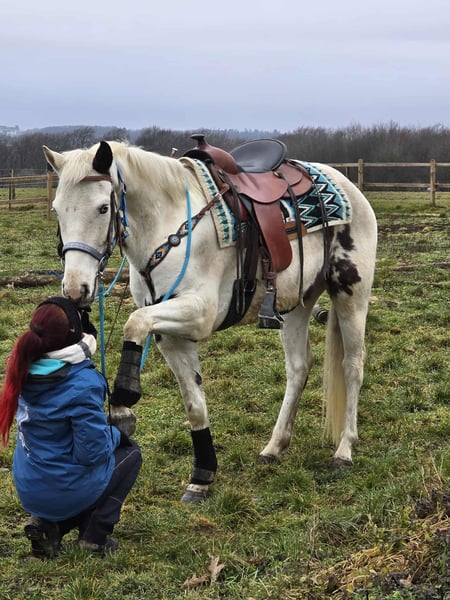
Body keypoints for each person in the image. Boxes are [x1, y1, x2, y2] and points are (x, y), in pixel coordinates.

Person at [0, 297, 142, 558]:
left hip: (30, 488)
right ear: (73, 335)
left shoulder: (22, 366)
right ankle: (94, 537)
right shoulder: (82, 383)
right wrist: (116, 433)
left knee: (63, 464)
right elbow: (92, 453)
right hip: (60, 490)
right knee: (130, 454)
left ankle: (49, 527)